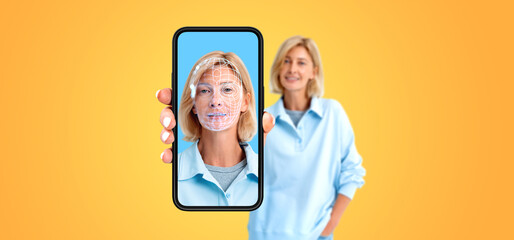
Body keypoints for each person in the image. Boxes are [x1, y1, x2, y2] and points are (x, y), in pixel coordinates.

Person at [246, 36, 366, 240]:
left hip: (316, 234)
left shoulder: (332, 113)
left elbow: (352, 170)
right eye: (286, 61)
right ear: (278, 68)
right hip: (265, 233)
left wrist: (332, 222)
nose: (292, 69)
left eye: (301, 62)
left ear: (314, 72)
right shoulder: (260, 120)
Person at [161, 51, 259, 206]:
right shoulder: (169, 172)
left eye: (227, 90)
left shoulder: (271, 173)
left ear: (245, 102)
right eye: (205, 91)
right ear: (193, 104)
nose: (216, 101)